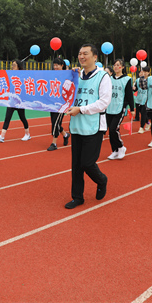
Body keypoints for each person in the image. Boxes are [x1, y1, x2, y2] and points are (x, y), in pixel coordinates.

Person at [64, 44, 110, 209]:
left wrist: (81, 109)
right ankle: (77, 197)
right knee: (76, 165)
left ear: (95, 57)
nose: (81, 56)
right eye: (79, 53)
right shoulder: (76, 75)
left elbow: (104, 102)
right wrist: (70, 78)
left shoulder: (103, 77)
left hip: (94, 126)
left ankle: (101, 180)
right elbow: (66, 94)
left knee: (87, 163)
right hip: (77, 125)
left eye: (85, 53)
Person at [0, 59, 31, 143]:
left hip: (19, 102)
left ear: (18, 67)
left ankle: (27, 134)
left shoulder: (23, 76)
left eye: (14, 65)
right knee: (7, 118)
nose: (12, 66)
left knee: (22, 118)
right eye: (12, 65)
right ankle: (2, 136)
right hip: (11, 101)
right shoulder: (10, 75)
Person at [106, 59, 135, 160]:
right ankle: (115, 150)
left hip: (120, 107)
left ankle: (121, 147)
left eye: (118, 65)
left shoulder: (126, 79)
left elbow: (129, 95)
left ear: (122, 67)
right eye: (114, 65)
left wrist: (132, 108)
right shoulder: (109, 78)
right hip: (109, 107)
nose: (116, 67)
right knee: (110, 131)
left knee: (113, 129)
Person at [48, 57, 71, 151]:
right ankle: (65, 135)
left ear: (62, 65)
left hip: (62, 104)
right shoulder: (52, 75)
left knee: (55, 123)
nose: (55, 67)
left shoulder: (67, 75)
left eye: (57, 65)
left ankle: (54, 143)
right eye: (54, 65)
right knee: (55, 122)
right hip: (52, 103)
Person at [132, 66, 150, 133]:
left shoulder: (150, 80)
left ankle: (141, 127)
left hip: (146, 99)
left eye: (146, 72)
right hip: (139, 98)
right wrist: (134, 88)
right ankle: (148, 123)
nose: (144, 73)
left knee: (143, 113)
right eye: (143, 71)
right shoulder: (138, 80)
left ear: (148, 73)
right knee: (140, 111)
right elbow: (136, 88)